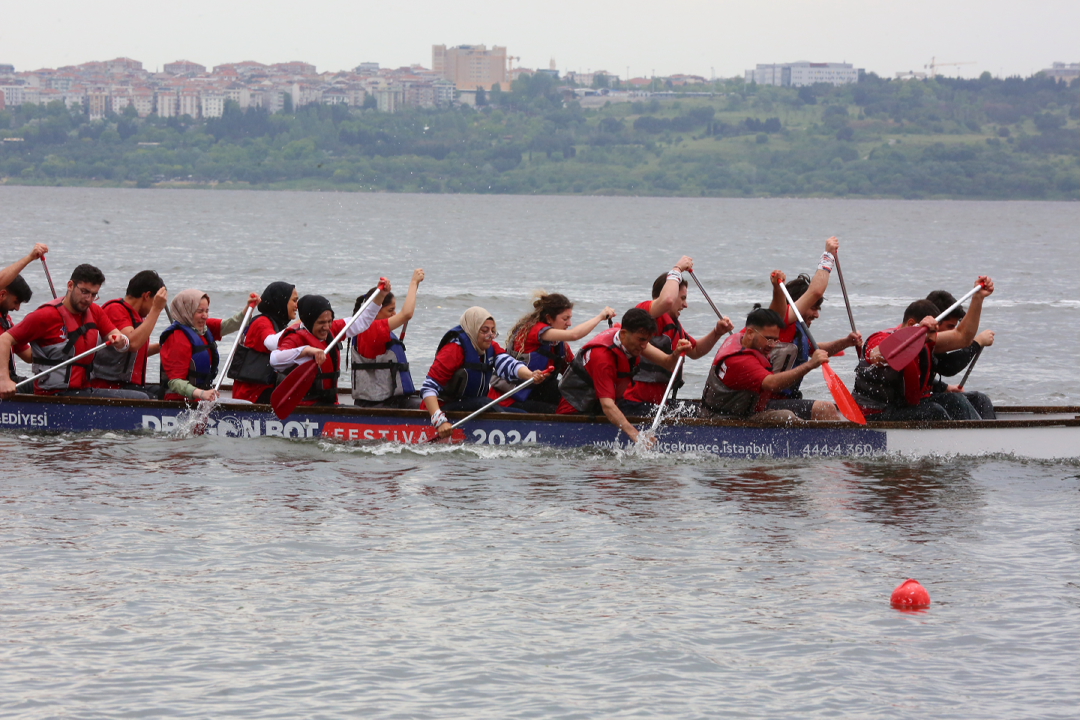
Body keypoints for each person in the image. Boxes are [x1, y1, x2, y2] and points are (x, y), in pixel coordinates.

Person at [853, 277, 995, 421]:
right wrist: (916, 334)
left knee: (979, 400)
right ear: (912, 324)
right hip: (876, 413)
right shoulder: (881, 338)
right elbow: (875, 355)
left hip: (905, 406)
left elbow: (963, 337)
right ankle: (962, 441)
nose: (934, 338)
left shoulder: (925, 339)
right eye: (932, 332)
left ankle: (988, 438)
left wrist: (978, 298)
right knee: (939, 409)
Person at [0, 263, 137, 399]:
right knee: (136, 398)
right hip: (54, 394)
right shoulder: (44, 315)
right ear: (70, 285)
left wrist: (121, 341)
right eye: (84, 292)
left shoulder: (95, 311)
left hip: (84, 390)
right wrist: (4, 380)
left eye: (94, 294)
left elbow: (122, 340)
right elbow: (4, 339)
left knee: (142, 396)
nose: (88, 299)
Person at [557, 307, 691, 444]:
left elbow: (668, 363)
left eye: (648, 340)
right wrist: (636, 435)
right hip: (577, 412)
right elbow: (608, 405)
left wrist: (677, 353)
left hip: (607, 406)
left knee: (675, 411)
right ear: (624, 333)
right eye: (642, 340)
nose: (645, 346)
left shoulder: (635, 342)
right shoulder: (602, 356)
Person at [624, 256, 734, 411]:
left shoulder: (674, 325)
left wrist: (717, 332)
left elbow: (695, 351)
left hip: (657, 403)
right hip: (633, 401)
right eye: (682, 298)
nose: (685, 304)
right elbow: (666, 300)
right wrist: (677, 269)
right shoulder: (643, 313)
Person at [423, 307, 551, 439]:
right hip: (443, 408)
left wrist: (531, 375)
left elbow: (510, 364)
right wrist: (439, 421)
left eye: (493, 331)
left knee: (521, 413)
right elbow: (428, 388)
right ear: (473, 329)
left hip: (472, 405)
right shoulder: (453, 350)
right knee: (483, 402)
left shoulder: (491, 347)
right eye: (484, 331)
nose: (490, 335)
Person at [701, 307, 841, 421]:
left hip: (742, 409)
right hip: (728, 418)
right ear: (750, 333)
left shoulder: (740, 337)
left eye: (775, 340)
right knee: (787, 417)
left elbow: (777, 310)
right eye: (768, 339)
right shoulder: (741, 361)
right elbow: (772, 384)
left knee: (822, 409)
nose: (772, 345)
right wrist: (810, 365)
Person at [767, 237, 862, 399]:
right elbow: (816, 291)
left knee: (826, 408)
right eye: (813, 307)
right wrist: (828, 255)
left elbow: (814, 350)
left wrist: (846, 342)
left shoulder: (797, 329)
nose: (817, 315)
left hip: (786, 398)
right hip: (766, 402)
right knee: (826, 410)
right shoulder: (779, 322)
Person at [498, 291, 617, 413]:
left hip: (537, 392)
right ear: (549, 318)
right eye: (565, 319)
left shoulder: (559, 344)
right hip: (512, 398)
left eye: (570, 318)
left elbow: (575, 372)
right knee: (561, 411)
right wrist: (600, 317)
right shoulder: (534, 331)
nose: (569, 323)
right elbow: (574, 335)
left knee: (585, 400)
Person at [271, 288, 389, 407]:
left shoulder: (332, 330)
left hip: (328, 403)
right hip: (304, 405)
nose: (327, 327)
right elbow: (275, 359)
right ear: (309, 321)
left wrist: (381, 296)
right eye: (321, 322)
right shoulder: (295, 338)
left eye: (329, 321)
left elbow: (362, 321)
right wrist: (306, 350)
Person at [159, 288, 260, 403]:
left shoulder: (204, 328)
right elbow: (175, 382)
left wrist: (248, 308)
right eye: (200, 311)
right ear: (187, 311)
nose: (205, 316)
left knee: (246, 404)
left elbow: (232, 324)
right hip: (180, 401)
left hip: (202, 398)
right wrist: (202, 393)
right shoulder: (176, 339)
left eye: (207, 311)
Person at [350, 269, 424, 409]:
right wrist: (414, 283)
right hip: (377, 403)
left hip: (392, 399)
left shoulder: (374, 329)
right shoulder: (370, 330)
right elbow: (407, 314)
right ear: (375, 310)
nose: (394, 314)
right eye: (390, 310)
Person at [90, 270, 168, 398]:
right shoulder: (115, 309)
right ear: (147, 296)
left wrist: (162, 346)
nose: (151, 310)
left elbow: (136, 353)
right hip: (108, 383)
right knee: (149, 399)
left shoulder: (136, 316)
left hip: (127, 384)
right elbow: (132, 344)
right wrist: (156, 309)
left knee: (168, 394)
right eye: (154, 301)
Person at [925, 289, 996, 419]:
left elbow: (928, 373)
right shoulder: (923, 338)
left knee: (980, 399)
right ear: (935, 323)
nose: (953, 332)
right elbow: (948, 366)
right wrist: (976, 344)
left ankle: (991, 436)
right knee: (956, 401)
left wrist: (944, 387)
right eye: (950, 327)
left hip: (925, 396)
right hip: (905, 405)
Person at [230, 281, 298, 404]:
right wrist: (300, 323)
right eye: (294, 301)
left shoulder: (278, 324)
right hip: (252, 393)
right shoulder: (262, 322)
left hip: (267, 388)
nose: (297, 306)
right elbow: (272, 343)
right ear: (281, 301)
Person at [0, 275, 34, 383]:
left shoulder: (6, 321)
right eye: (16, 302)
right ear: (3, 294)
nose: (17, 308)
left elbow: (28, 356)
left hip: (11, 380)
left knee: (46, 386)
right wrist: (30, 257)